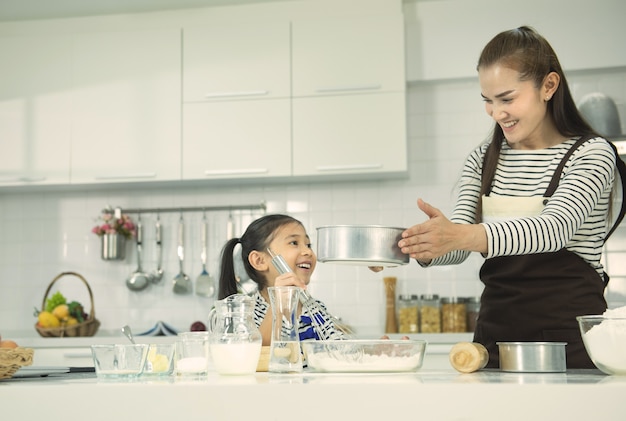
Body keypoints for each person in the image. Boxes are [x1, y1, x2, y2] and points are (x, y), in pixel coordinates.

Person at [396, 26, 626, 368]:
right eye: (488, 101)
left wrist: (462, 234)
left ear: (548, 86)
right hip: (494, 341)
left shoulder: (591, 154)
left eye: (507, 98)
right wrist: (412, 245)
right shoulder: (483, 158)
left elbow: (555, 229)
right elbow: (458, 243)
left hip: (571, 344)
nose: (496, 112)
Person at [217, 214, 347, 345]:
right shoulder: (246, 312)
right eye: (294, 243)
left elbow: (341, 352)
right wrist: (278, 305)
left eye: (308, 245)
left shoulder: (315, 308)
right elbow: (253, 356)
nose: (308, 252)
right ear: (259, 260)